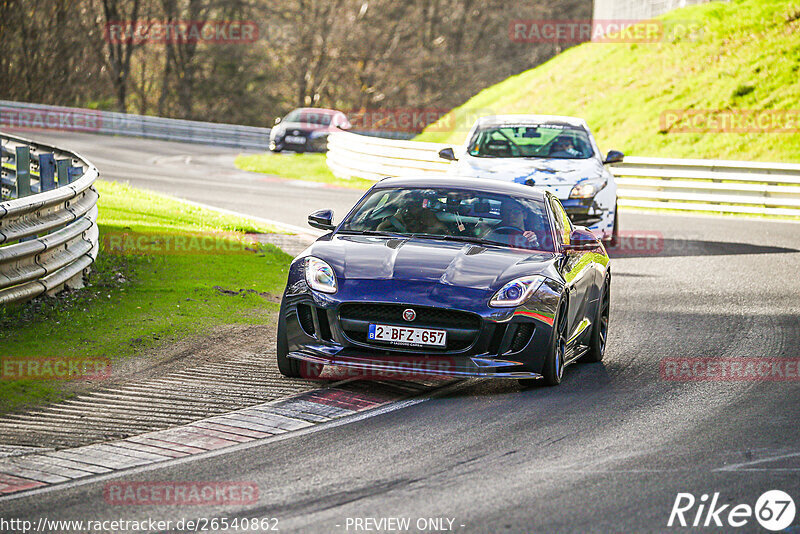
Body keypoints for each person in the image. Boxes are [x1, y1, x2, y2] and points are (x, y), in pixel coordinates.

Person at [377, 191, 449, 234]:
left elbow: (442, 229)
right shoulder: (396, 218)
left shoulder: (427, 215)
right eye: (411, 204)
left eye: (417, 203)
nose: (414, 207)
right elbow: (379, 229)